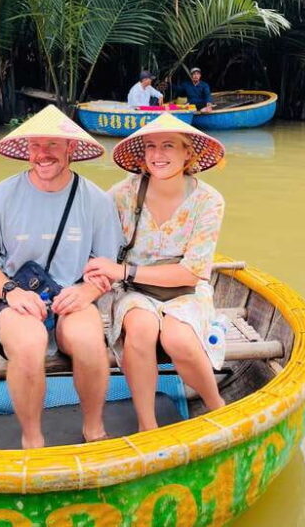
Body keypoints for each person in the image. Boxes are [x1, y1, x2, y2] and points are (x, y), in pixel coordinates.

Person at [0, 104, 123, 448]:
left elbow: (106, 266)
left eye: (53, 145)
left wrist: (86, 291)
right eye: (36, 145)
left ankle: (94, 429)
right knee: (29, 344)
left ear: (71, 149)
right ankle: (33, 439)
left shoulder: (96, 201)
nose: (43, 154)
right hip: (13, 299)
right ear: (27, 151)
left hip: (71, 298)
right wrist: (10, 292)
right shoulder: (0, 197)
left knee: (89, 342)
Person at [84, 113, 226, 431]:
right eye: (150, 147)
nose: (157, 155)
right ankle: (148, 425)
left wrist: (124, 270)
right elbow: (94, 237)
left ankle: (217, 406)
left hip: (184, 290)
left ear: (188, 152)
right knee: (142, 329)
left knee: (179, 339)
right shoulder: (122, 194)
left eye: (168, 146)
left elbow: (192, 274)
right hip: (131, 292)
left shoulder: (209, 201)